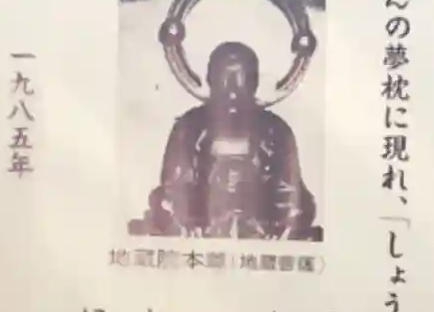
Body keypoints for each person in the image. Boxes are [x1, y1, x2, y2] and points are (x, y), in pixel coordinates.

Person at [132, 41, 321, 240]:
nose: (232, 89)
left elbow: (289, 191)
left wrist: (283, 222)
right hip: (203, 221)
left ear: (255, 82)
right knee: (162, 206)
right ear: (210, 79)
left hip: (261, 221)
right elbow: (175, 187)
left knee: (300, 216)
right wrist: (188, 219)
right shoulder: (190, 126)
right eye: (223, 78)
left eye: (241, 79)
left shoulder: (275, 129)